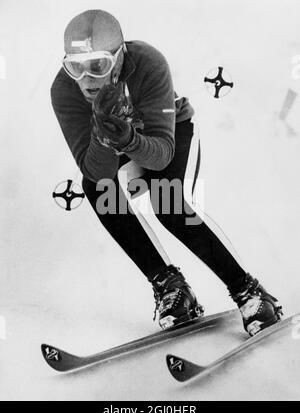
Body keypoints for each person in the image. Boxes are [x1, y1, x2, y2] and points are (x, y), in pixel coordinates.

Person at [51, 9, 282, 336]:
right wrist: (104, 136)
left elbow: (160, 157)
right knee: (96, 189)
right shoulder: (64, 90)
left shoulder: (148, 63)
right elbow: (96, 172)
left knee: (168, 203)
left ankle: (249, 292)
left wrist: (128, 138)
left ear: (119, 59)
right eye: (75, 66)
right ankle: (171, 287)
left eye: (98, 65)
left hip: (170, 133)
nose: (86, 79)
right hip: (120, 141)